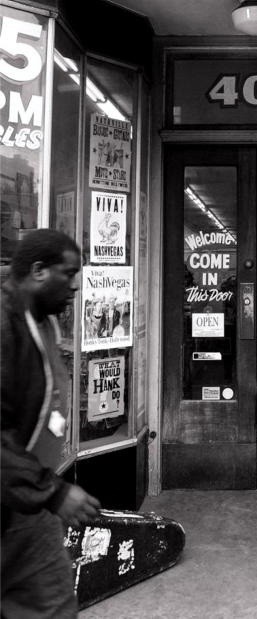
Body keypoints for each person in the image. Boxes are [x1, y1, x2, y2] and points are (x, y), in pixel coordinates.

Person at [1, 229, 101, 618]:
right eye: (69, 273)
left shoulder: (43, 322)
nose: (75, 286)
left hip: (29, 506)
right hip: (25, 497)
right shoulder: (4, 327)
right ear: (39, 270)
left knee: (55, 606)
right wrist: (54, 494)